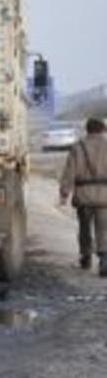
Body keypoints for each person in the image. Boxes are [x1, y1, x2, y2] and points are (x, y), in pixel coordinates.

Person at [60, 117, 107, 276]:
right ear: (103, 130)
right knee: (103, 228)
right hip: (104, 196)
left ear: (87, 130)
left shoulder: (77, 147)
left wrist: (64, 193)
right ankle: (104, 260)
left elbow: (69, 172)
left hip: (83, 195)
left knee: (84, 227)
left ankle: (86, 256)